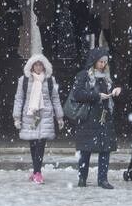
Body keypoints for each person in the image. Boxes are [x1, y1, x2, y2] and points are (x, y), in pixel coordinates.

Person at [70, 47, 120, 189]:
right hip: (88, 117)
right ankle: (82, 178)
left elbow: (112, 89)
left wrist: (116, 90)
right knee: (85, 149)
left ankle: (103, 179)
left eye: (105, 62)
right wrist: (96, 96)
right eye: (101, 61)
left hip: (104, 116)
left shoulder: (107, 76)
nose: (103, 64)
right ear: (94, 61)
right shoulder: (83, 75)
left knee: (105, 149)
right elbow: (77, 94)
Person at [12, 54, 65, 185]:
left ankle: (37, 172)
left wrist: (60, 117)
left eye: (40, 65)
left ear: (44, 66)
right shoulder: (24, 80)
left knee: (41, 143)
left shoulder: (50, 80)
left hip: (45, 115)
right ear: (31, 66)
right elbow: (19, 99)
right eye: (36, 65)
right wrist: (16, 117)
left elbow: (55, 99)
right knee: (33, 144)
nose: (38, 67)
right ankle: (36, 171)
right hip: (30, 115)